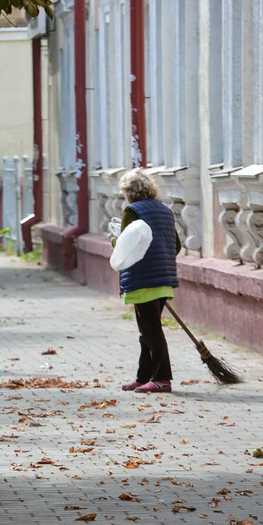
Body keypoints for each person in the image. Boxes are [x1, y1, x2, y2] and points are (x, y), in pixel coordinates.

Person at [112, 168, 182, 393]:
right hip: (164, 278)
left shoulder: (132, 211)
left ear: (129, 192)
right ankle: (143, 377)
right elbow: (176, 245)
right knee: (148, 331)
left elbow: (125, 248)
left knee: (151, 331)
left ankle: (162, 378)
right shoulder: (165, 211)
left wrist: (114, 240)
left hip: (142, 279)